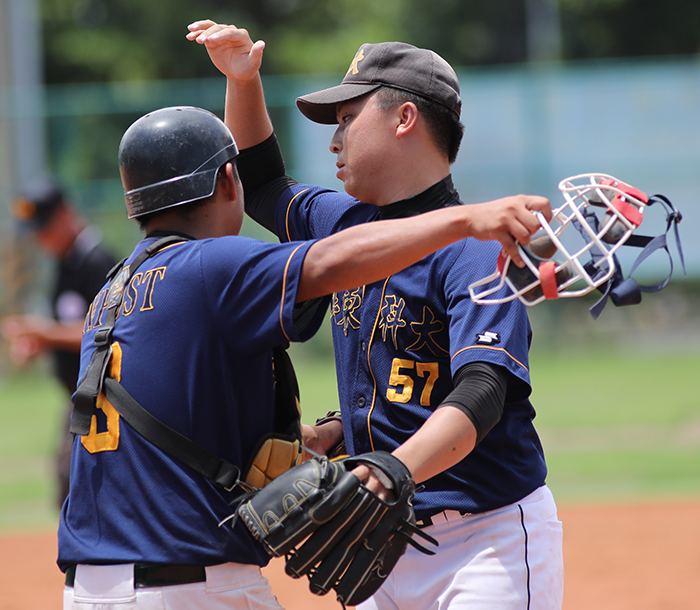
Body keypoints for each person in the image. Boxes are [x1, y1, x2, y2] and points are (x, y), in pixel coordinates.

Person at [56, 105, 552, 609]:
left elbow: (181, 405)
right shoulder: (213, 266)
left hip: (93, 585)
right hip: (191, 584)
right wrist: (468, 220)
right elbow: (332, 257)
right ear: (230, 181)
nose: (335, 140)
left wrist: (323, 434)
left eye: (347, 120)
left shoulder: (114, 289)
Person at [189, 21, 565, 610]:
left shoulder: (475, 249)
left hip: (482, 537)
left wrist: (391, 469)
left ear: (404, 118)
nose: (333, 141)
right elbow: (262, 185)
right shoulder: (347, 227)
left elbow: (483, 390)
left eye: (346, 119)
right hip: (382, 533)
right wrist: (244, 80)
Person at [0, 180, 119, 509]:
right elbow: (69, 328)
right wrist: (38, 342)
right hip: (79, 398)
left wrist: (44, 332)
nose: (40, 239)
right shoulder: (67, 263)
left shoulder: (96, 262)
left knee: (78, 490)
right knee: (70, 487)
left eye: (45, 228)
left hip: (106, 398)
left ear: (66, 214)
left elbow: (109, 330)